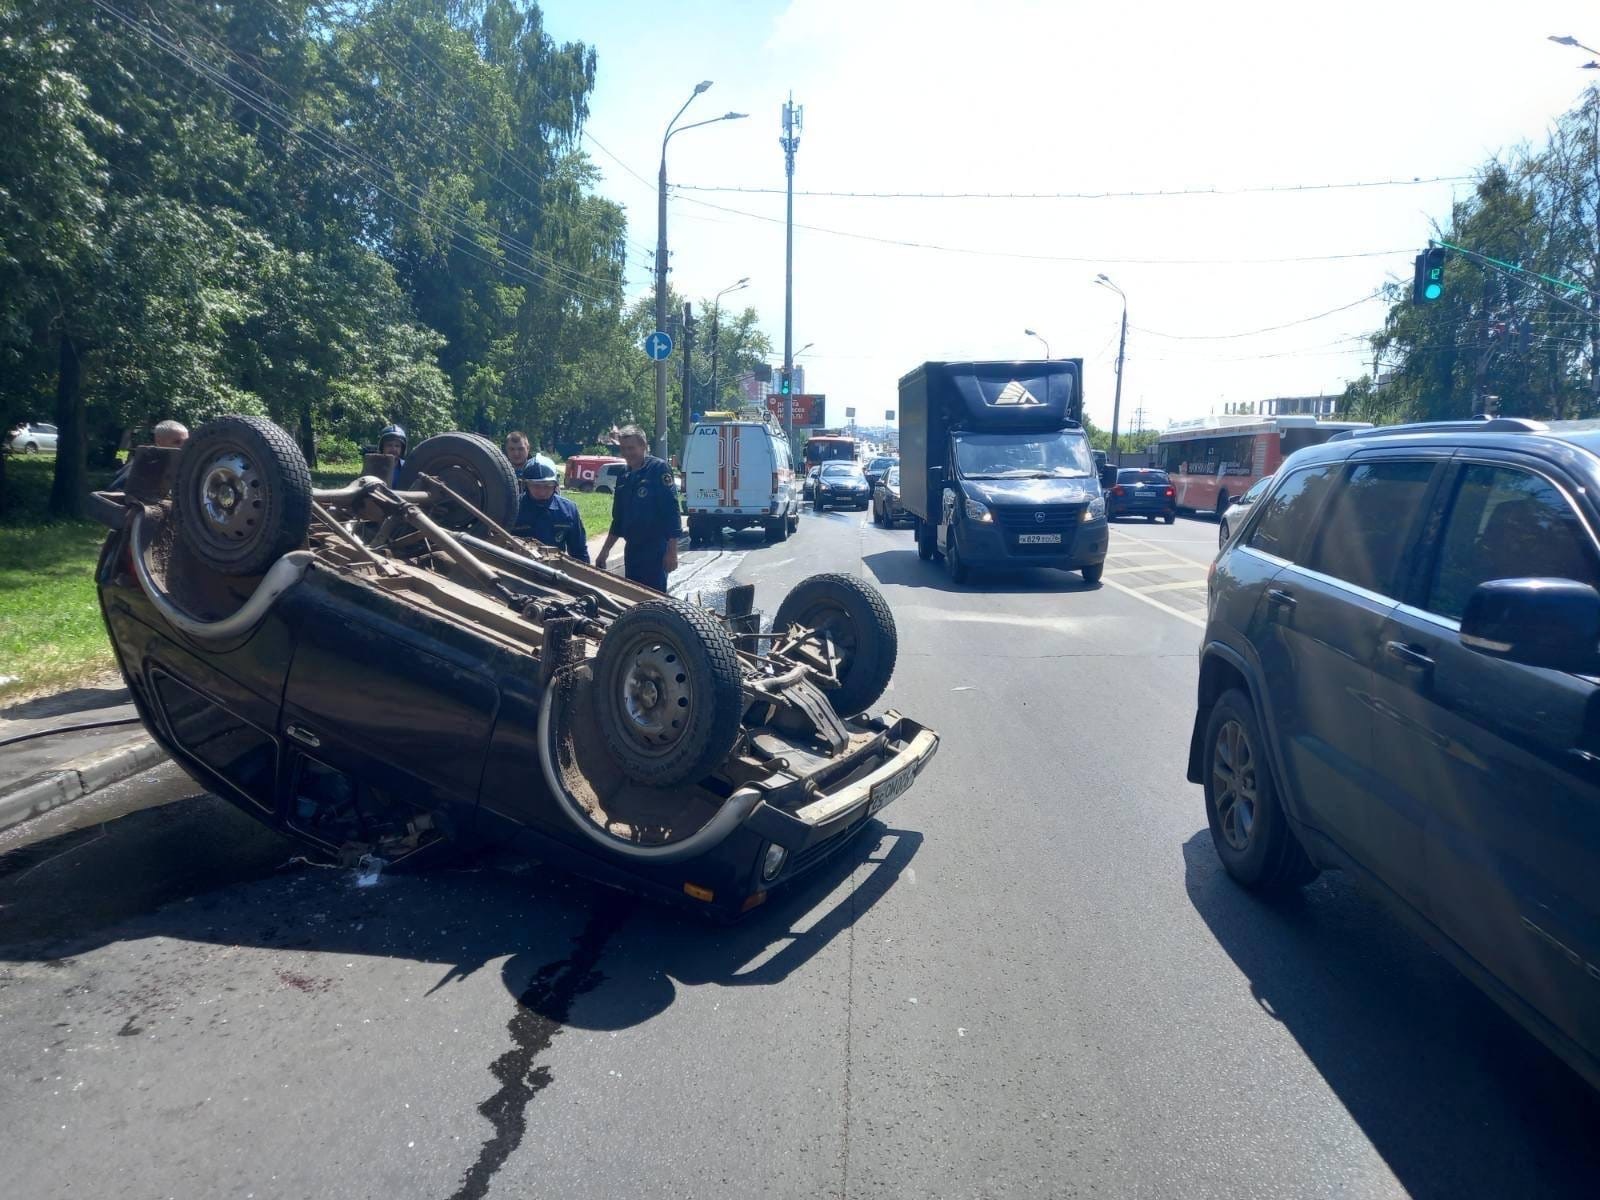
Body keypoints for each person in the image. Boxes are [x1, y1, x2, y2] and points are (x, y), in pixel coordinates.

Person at [594, 425, 681, 591]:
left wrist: (672, 552)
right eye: (623, 449)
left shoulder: (658, 469)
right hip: (633, 549)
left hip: (655, 550)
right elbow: (618, 520)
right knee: (633, 596)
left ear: (643, 446)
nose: (627, 453)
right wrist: (605, 551)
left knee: (654, 599)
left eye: (631, 448)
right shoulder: (624, 476)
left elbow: (671, 512)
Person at [512, 460, 590, 562]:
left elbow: (579, 551)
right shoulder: (513, 509)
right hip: (520, 569)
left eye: (547, 485)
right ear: (526, 484)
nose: (542, 491)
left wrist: (584, 575)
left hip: (555, 571)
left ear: (555, 484)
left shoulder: (568, 510)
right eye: (536, 486)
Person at [111, 419, 188, 490]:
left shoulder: (185, 466)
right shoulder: (144, 466)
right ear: (159, 442)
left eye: (187, 442)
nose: (184, 446)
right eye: (177, 442)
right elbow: (114, 491)